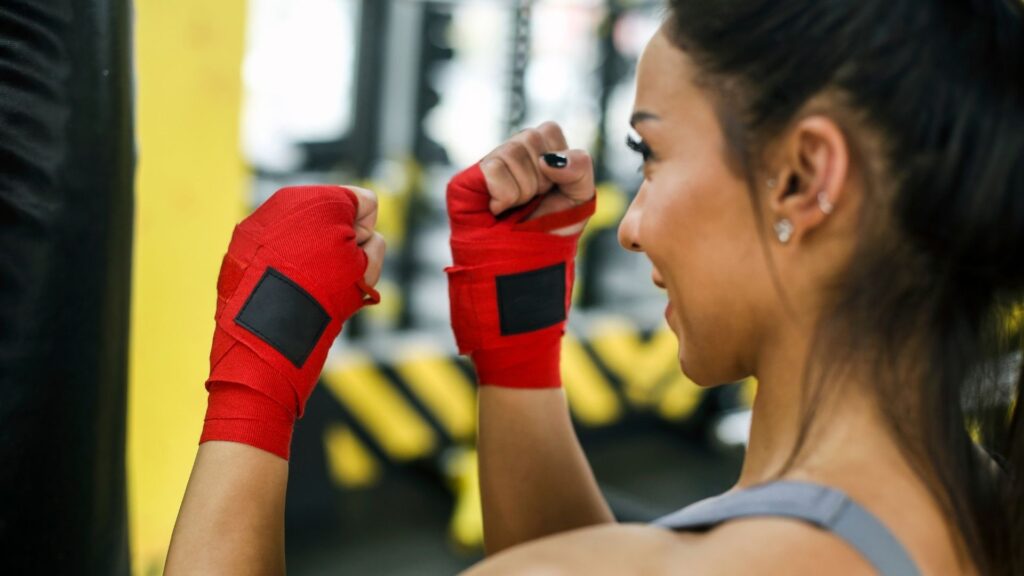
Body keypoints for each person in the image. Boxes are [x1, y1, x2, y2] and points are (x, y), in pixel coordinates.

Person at [165, 0, 1023, 574]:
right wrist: (518, 355)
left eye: (652, 156)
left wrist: (255, 378)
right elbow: (603, 556)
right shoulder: (977, 496)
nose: (631, 224)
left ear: (803, 177)